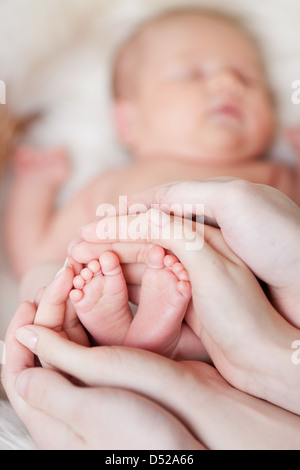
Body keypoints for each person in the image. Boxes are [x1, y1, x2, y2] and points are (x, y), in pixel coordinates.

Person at [4, 6, 300, 283]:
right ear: (128, 122)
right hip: (128, 302)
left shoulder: (277, 177)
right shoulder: (111, 186)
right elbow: (36, 257)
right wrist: (36, 186)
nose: (228, 82)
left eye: (247, 78)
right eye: (191, 74)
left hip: (251, 313)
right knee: (40, 283)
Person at [2, 178, 300, 449]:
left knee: (69, 277)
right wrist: (35, 184)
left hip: (237, 294)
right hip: (198, 284)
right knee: (48, 275)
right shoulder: (107, 180)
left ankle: (143, 346)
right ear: (127, 123)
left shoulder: (272, 171)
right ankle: (139, 343)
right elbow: (34, 247)